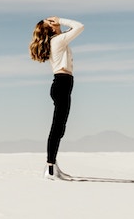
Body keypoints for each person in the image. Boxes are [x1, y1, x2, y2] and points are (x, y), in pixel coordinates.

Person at [29, 16, 84, 180]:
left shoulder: (58, 40)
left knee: (60, 128)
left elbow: (72, 30)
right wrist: (61, 19)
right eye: (50, 22)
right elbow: (79, 26)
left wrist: (58, 24)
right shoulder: (58, 41)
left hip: (62, 84)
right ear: (51, 28)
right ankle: (50, 169)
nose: (54, 21)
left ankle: (53, 166)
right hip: (62, 84)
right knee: (57, 128)